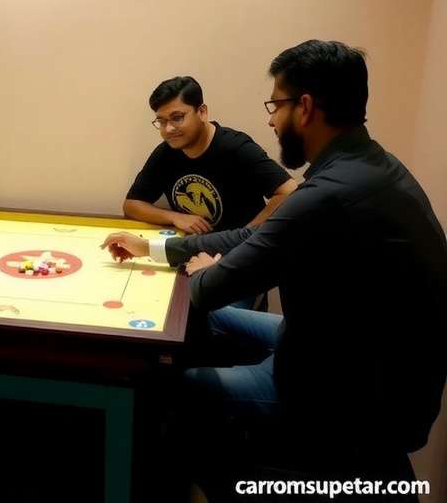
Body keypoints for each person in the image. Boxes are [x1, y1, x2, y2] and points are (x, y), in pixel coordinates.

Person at [103, 40, 447, 498]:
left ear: (304, 108)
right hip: (338, 345)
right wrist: (156, 248)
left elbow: (210, 287)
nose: (270, 120)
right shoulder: (369, 165)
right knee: (211, 322)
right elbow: (251, 238)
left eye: (275, 105)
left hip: (347, 389)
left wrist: (204, 270)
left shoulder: (330, 194)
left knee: (168, 387)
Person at [124, 75, 297, 236]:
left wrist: (245, 237)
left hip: (239, 251)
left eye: (177, 118)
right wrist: (175, 217)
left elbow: (289, 192)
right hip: (194, 247)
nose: (168, 129)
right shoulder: (166, 153)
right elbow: (131, 205)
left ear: (202, 112)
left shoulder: (235, 147)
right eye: (161, 121)